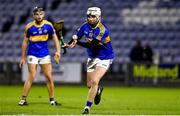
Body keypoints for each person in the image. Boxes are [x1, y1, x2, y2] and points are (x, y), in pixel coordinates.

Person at [68, 7, 114, 114]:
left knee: (94, 81)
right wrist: (68, 44)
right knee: (89, 85)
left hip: (105, 57)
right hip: (92, 57)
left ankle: (87, 107)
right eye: (89, 16)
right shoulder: (84, 26)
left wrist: (76, 42)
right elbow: (77, 37)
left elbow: (91, 45)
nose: (91, 19)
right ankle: (98, 90)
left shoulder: (103, 30)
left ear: (98, 17)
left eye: (93, 16)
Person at [18, 6, 61, 106]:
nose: (39, 16)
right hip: (32, 53)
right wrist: (22, 57)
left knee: (49, 77)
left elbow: (55, 38)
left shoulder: (48, 25)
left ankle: (52, 100)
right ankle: (23, 99)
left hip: (44, 54)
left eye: (41, 14)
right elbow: (25, 42)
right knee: (32, 75)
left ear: (44, 14)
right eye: (37, 14)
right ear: (34, 15)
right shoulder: (29, 27)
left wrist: (58, 51)